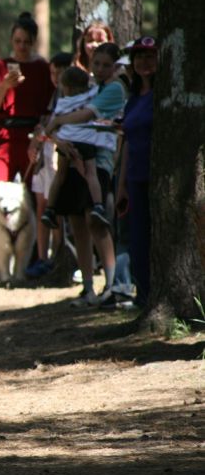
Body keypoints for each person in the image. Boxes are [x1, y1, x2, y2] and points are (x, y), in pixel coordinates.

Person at [44, 42, 125, 308]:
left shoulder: (113, 89)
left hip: (98, 162)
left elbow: (85, 116)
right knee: (78, 223)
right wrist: (57, 137)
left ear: (115, 66)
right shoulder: (89, 88)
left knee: (96, 222)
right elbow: (64, 119)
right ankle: (88, 287)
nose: (100, 69)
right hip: (73, 158)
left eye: (105, 65)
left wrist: (56, 123)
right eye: (96, 64)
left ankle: (113, 286)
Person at [0, 12, 55, 283]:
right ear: (11, 40)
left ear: (33, 42)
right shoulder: (0, 67)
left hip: (33, 136)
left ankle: (34, 263)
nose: (21, 46)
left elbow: (47, 110)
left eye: (26, 42)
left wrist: (38, 138)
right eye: (17, 41)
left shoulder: (41, 68)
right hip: (6, 136)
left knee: (33, 200)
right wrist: (4, 88)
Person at [41, 66, 117, 227]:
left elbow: (49, 129)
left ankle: (50, 209)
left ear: (66, 87)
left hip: (66, 142)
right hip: (86, 141)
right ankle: (98, 205)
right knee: (91, 173)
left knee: (60, 175)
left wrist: (53, 135)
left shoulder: (62, 103)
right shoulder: (92, 99)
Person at [116, 36, 157, 307]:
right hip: (135, 177)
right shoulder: (132, 100)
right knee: (138, 240)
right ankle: (143, 296)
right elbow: (127, 142)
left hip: (158, 178)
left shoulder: (163, 96)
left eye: (149, 56)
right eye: (139, 57)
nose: (144, 62)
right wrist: (121, 185)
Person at [26, 51, 73, 279]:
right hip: (43, 157)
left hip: (58, 157)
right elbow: (44, 124)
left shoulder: (72, 97)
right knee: (42, 207)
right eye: (52, 73)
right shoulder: (53, 95)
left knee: (56, 209)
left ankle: (59, 255)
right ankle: (42, 257)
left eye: (60, 72)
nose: (55, 77)